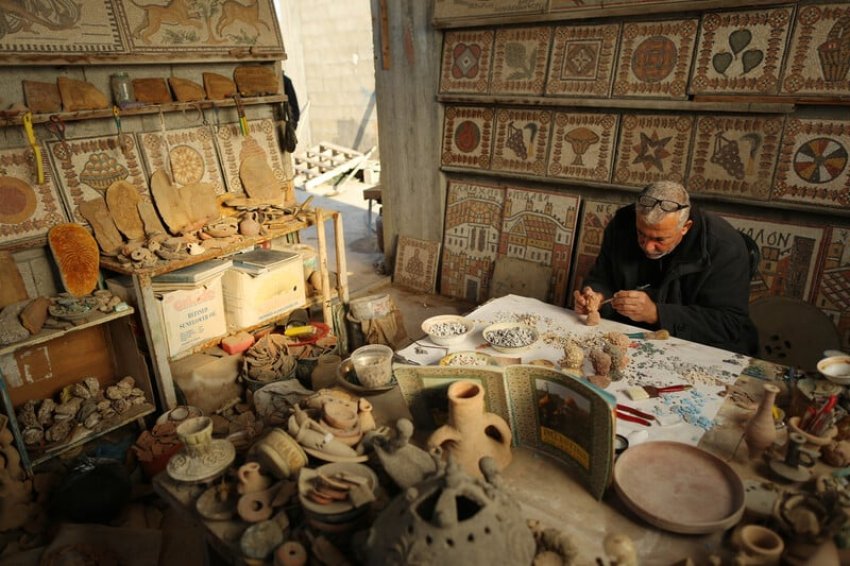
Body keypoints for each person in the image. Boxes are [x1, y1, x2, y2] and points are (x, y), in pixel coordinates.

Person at [573, 180, 758, 355]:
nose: (647, 246)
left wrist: (656, 313)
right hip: (636, 336)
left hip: (703, 348)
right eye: (641, 233)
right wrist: (596, 296)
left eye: (659, 239)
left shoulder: (725, 246)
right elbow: (601, 277)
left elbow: (730, 323)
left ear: (685, 227)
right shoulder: (623, 223)